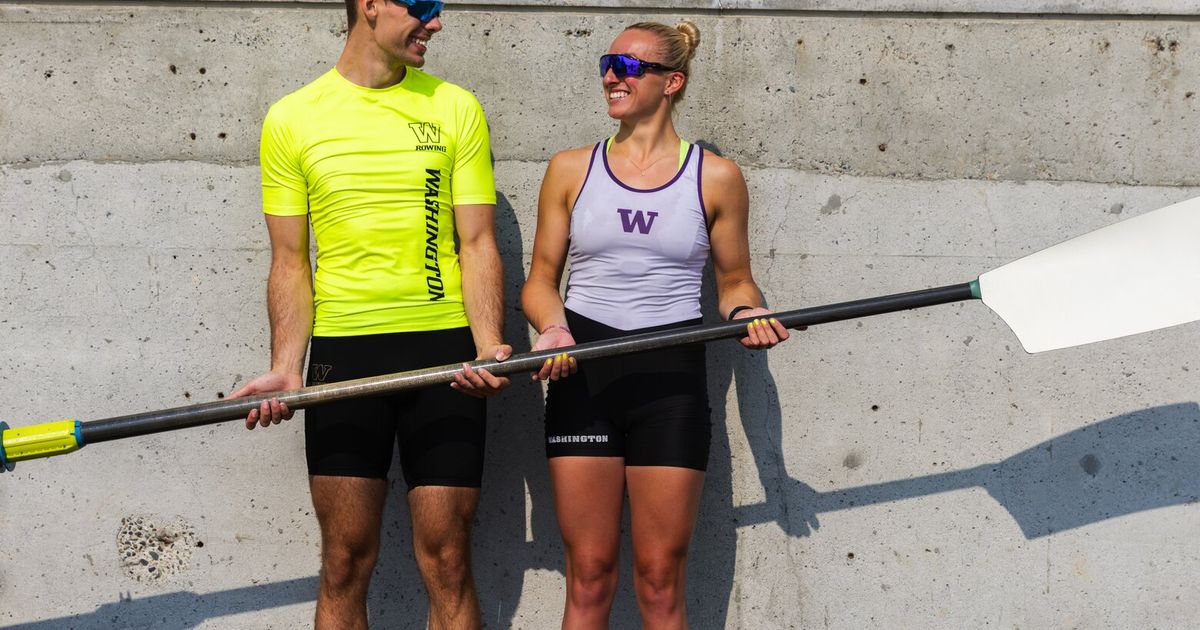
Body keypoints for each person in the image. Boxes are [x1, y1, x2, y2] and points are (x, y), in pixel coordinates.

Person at [229, 1, 510, 628]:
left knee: (448, 563)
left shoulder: (455, 107)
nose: (437, 22)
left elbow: (477, 243)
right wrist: (285, 367)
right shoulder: (292, 118)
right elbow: (290, 261)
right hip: (345, 358)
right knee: (344, 563)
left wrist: (489, 342)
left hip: (445, 355)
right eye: (424, 7)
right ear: (372, 5)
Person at [521, 20, 791, 630]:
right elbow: (539, 280)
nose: (613, 75)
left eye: (630, 66)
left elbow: (735, 281)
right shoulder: (570, 168)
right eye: (607, 62)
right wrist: (552, 327)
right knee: (589, 575)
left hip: (669, 387)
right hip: (581, 375)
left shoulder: (716, 177)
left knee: (660, 580)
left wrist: (748, 313)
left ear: (672, 82)